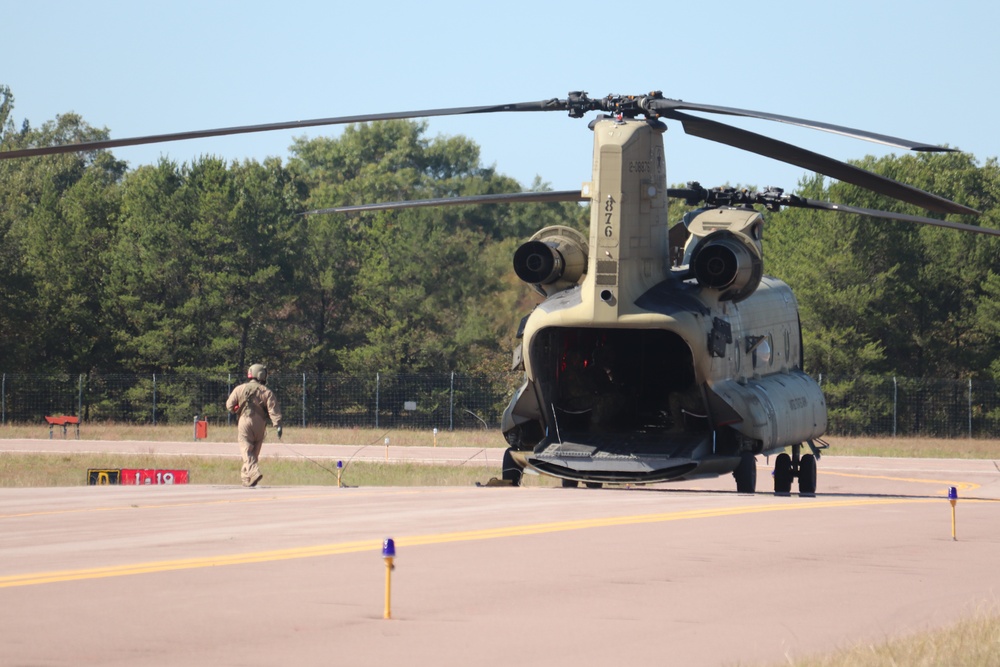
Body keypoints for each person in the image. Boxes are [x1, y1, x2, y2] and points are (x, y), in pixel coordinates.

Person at [225, 363, 283, 487]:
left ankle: (254, 472)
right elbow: (273, 409)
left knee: (246, 449)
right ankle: (247, 479)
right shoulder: (266, 391)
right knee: (254, 453)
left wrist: (237, 408)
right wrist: (277, 425)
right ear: (261, 375)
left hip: (245, 421)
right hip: (260, 424)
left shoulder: (240, 388)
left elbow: (229, 405)